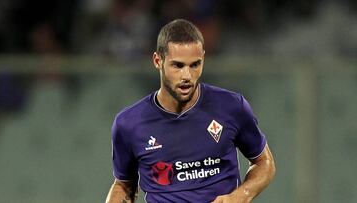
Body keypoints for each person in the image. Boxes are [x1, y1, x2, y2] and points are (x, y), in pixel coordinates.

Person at [105, 19, 276, 203]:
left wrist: (239, 196)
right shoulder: (128, 124)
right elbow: (124, 185)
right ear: (157, 61)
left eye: (195, 64)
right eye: (177, 65)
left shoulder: (232, 106)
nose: (187, 76)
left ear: (203, 57)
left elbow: (264, 163)